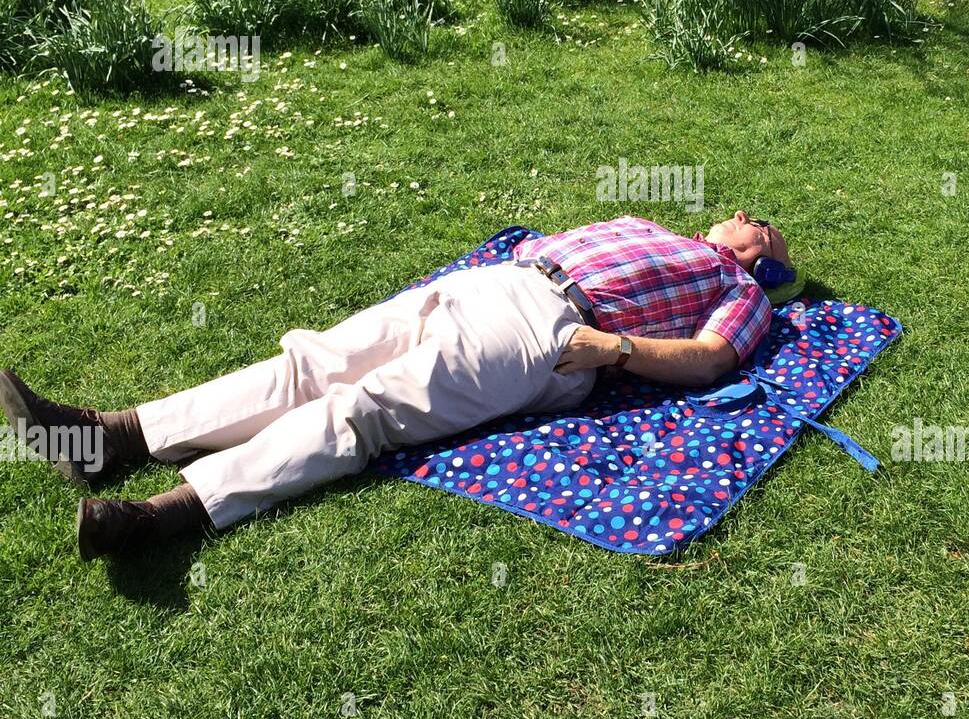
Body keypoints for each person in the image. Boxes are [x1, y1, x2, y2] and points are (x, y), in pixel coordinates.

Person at [1, 211, 794, 560]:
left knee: (364, 412)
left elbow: (710, 360)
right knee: (309, 364)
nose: (737, 215)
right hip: (498, 281)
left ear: (766, 255)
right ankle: (109, 436)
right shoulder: (652, 227)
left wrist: (617, 349)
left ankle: (156, 518)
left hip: (553, 334)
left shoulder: (747, 292)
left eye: (756, 221)